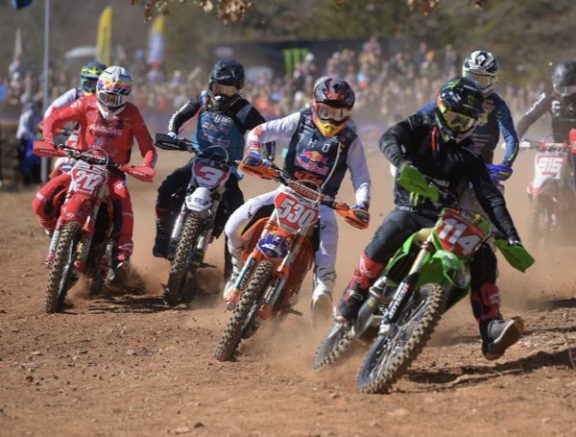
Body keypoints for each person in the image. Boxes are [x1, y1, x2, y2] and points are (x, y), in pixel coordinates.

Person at [335, 77, 525, 360]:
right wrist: (403, 162)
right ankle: (353, 294)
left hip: (445, 217)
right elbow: (389, 138)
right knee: (393, 228)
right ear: (440, 108)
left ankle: (490, 326)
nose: (458, 127)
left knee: (484, 253)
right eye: (454, 118)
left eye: (466, 122)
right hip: (410, 209)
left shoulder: (470, 153)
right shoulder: (419, 125)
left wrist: (511, 235)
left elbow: (490, 196)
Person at [223, 77, 371, 322]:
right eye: (325, 111)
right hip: (286, 190)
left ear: (348, 113)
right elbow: (260, 131)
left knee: (327, 246)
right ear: (315, 106)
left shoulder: (350, 141)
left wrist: (361, 205)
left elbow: (362, 177)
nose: (331, 119)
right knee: (233, 226)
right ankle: (238, 270)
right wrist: (254, 152)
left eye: (338, 113)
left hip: (322, 203)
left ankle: (323, 291)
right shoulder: (300, 120)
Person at [32, 66, 157, 264]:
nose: (110, 103)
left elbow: (147, 146)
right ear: (99, 90)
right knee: (41, 199)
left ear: (125, 97)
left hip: (112, 171)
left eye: (116, 99)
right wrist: (48, 139)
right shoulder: (85, 103)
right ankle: (50, 226)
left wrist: (147, 164)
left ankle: (123, 244)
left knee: (122, 198)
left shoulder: (132, 113)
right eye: (107, 97)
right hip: (82, 164)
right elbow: (53, 117)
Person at [152, 59, 266, 265]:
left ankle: (231, 271)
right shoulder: (203, 99)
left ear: (238, 89)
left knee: (238, 215)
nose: (221, 93)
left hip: (228, 167)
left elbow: (264, 132)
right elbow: (179, 116)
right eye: (218, 87)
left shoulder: (245, 110)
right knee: (166, 188)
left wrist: (262, 156)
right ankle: (162, 237)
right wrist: (172, 133)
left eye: (228, 89)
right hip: (199, 159)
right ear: (211, 84)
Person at [419, 50, 520, 173]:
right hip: (448, 157)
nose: (476, 84)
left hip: (482, 165)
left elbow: (510, 137)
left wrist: (506, 165)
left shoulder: (497, 104)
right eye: (471, 78)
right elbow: (420, 116)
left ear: (493, 80)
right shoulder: (453, 93)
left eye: (482, 80)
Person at [516, 60, 576, 142]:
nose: (566, 93)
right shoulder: (549, 96)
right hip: (559, 148)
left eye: (570, 89)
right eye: (561, 89)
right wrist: (515, 138)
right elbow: (529, 117)